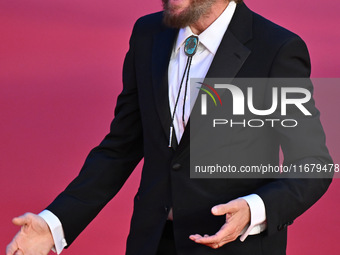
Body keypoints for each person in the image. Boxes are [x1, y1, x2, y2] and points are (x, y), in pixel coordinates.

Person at [6, 0, 333, 255]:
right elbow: (120, 148)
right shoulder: (149, 35)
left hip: (235, 246)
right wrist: (54, 223)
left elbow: (313, 166)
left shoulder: (276, 49)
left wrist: (254, 209)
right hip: (150, 243)